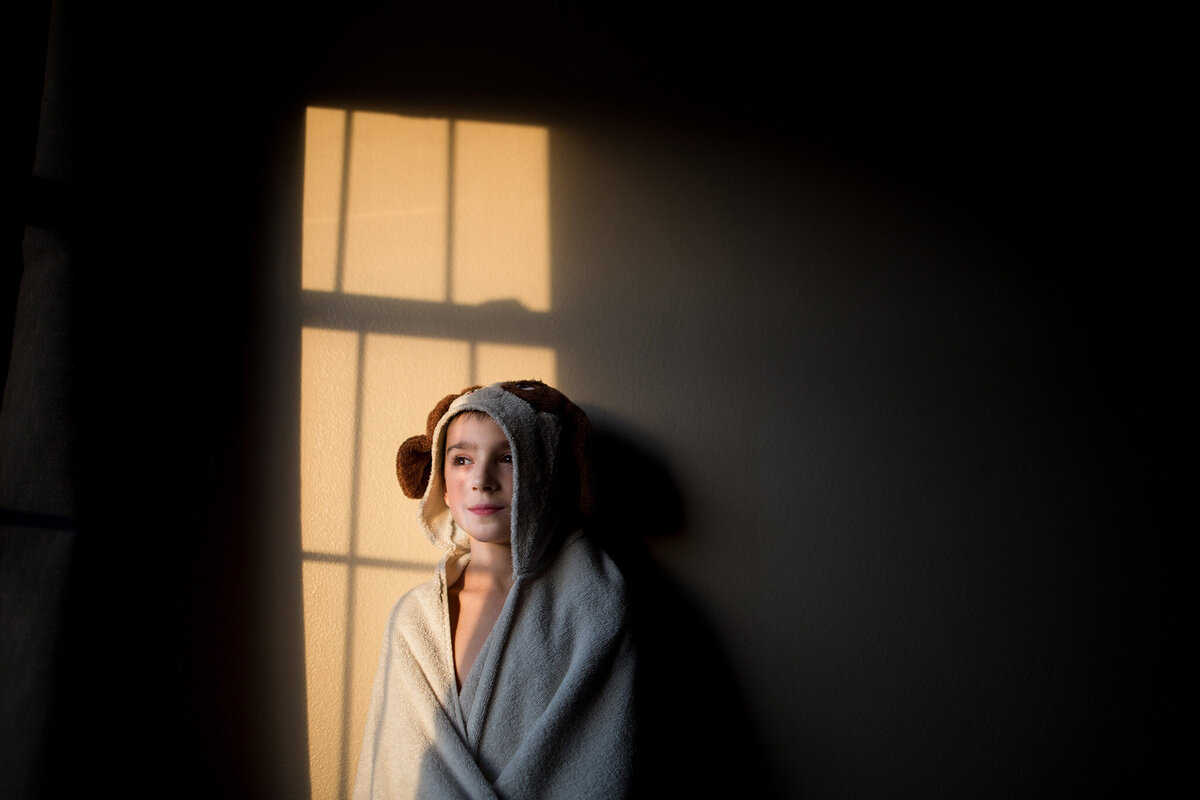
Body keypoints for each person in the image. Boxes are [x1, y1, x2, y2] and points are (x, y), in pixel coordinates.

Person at [353, 380, 635, 799]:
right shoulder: (412, 620)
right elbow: (391, 765)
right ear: (442, 484)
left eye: (507, 458)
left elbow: (597, 756)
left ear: (543, 474)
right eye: (462, 459)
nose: (481, 479)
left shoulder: (593, 605)